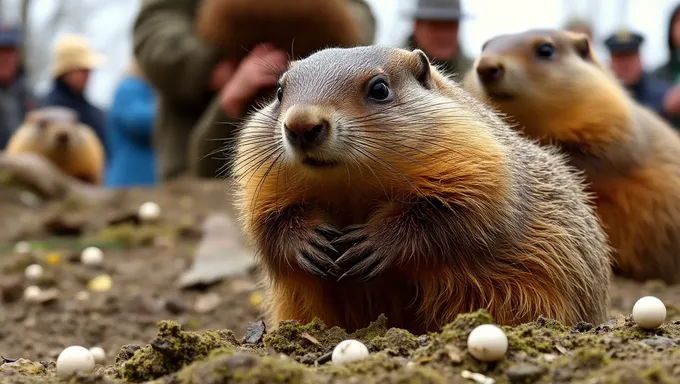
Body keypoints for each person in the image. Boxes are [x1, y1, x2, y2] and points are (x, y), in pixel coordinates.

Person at [132, 0, 376, 182]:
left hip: (317, 110)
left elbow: (358, 18)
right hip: (197, 133)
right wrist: (217, 70)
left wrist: (313, 62)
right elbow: (156, 31)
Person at [40, 34, 108, 155]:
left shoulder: (94, 113)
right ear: (65, 70)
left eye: (88, 70)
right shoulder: (45, 110)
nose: (87, 75)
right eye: (81, 69)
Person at [604, 30, 680, 121]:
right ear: (610, 62)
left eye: (630, 56)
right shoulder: (603, 95)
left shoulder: (664, 94)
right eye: (619, 57)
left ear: (640, 59)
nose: (625, 64)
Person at [104, 60, 157, 188]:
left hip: (149, 181)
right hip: (128, 180)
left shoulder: (150, 91)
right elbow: (140, 122)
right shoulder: (128, 89)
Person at [402, 0, 472, 79]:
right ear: (417, 25)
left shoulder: (475, 79)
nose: (444, 35)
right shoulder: (391, 75)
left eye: (450, 25)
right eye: (435, 25)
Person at [0, 23, 35, 149]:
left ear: (18, 55)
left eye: (9, 51)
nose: (4, 58)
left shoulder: (30, 99)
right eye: (0, 51)